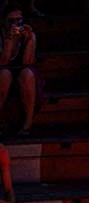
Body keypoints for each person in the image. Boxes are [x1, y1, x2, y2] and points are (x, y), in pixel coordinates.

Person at [0, 3, 39, 136]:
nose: (15, 23)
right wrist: (9, 40)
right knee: (4, 74)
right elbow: (3, 62)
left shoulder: (28, 34)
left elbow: (27, 62)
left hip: (21, 70)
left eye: (19, 20)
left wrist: (29, 40)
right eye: (11, 20)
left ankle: (28, 123)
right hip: (3, 70)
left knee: (28, 74)